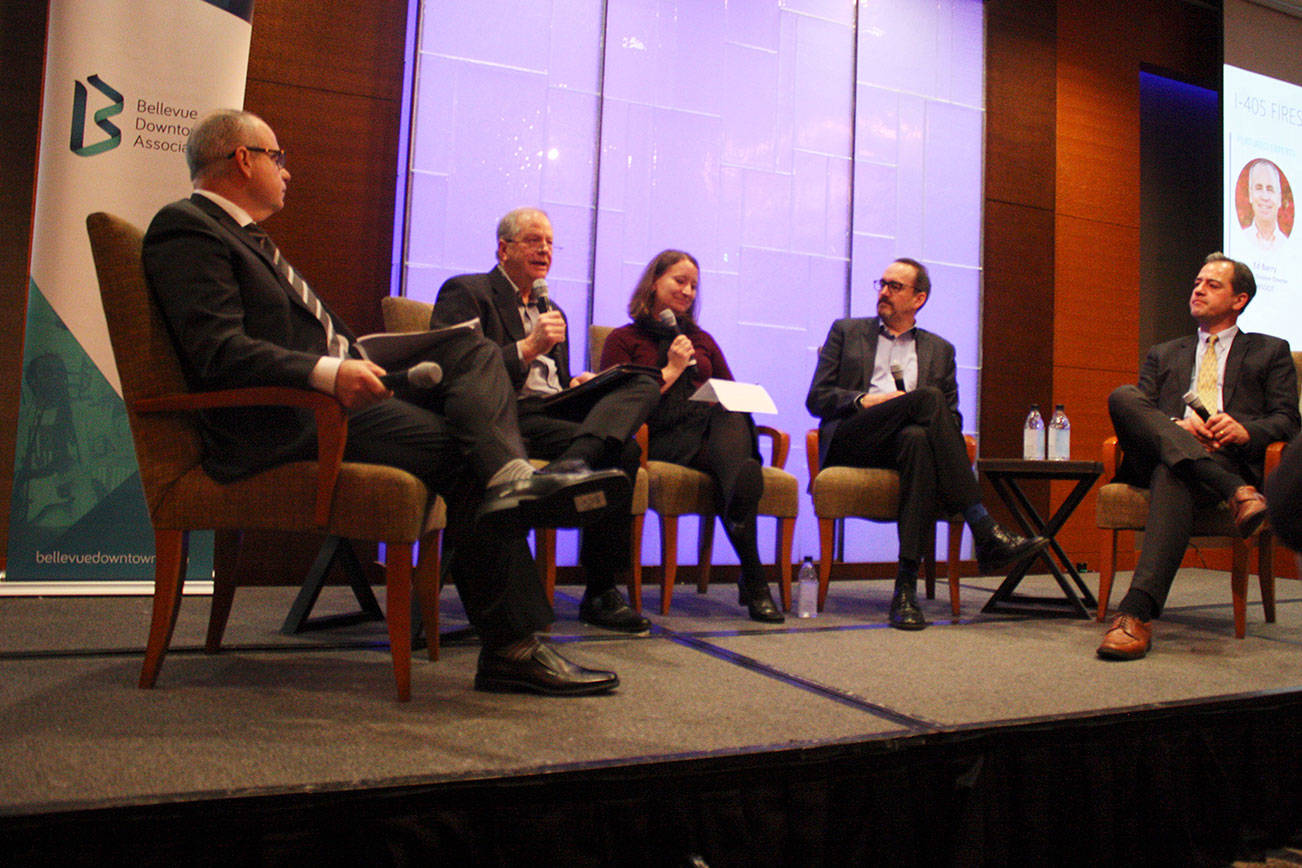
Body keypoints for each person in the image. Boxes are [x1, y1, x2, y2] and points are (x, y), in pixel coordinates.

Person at [143, 109, 626, 696]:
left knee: (470, 349)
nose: (287, 173)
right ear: (243, 159)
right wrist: (329, 372)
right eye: (279, 158)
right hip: (287, 416)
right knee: (464, 455)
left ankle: (510, 476)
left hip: (330, 396)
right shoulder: (188, 228)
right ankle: (513, 641)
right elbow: (218, 351)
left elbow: (310, 334)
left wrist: (362, 356)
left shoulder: (250, 240)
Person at [433, 208, 661, 634]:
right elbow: (456, 375)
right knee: (624, 450)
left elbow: (551, 380)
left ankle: (571, 467)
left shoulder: (551, 308)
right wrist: (528, 346)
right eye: (534, 240)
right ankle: (599, 591)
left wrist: (579, 383)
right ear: (504, 249)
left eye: (551, 242)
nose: (545, 250)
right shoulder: (468, 292)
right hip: (505, 416)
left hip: (551, 410)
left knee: (644, 381)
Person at [805, 258, 1047, 630]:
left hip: (902, 447)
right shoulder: (847, 332)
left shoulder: (940, 350)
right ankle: (982, 525)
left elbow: (951, 423)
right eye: (882, 284)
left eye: (895, 287)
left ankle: (904, 590)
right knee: (928, 398)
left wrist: (909, 410)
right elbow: (817, 398)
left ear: (919, 298)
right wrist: (864, 400)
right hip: (855, 437)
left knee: (918, 436)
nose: (884, 292)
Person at [1098, 252, 1300, 660]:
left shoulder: (1270, 351)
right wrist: (1178, 426)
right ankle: (1237, 492)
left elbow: (1288, 422)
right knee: (1123, 397)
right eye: (1196, 282)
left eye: (1212, 284)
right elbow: (1143, 413)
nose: (1198, 289)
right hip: (1158, 455)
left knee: (1175, 473)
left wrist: (1245, 430)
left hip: (1220, 458)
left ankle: (1135, 614)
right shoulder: (1164, 352)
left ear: (1239, 299)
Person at [599, 250, 784, 623]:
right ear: (654, 283)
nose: (687, 291)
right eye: (679, 281)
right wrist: (672, 368)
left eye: (694, 285)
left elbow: (729, 388)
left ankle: (739, 507)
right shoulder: (624, 338)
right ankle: (754, 578)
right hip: (663, 434)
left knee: (728, 416)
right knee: (734, 465)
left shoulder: (702, 339)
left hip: (712, 433)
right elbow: (616, 404)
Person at [1239, 159, 1291, 255]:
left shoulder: (1290, 248)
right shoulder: (1239, 239)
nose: (1265, 197)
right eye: (1259, 188)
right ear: (1251, 194)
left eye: (1270, 189)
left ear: (1279, 198)